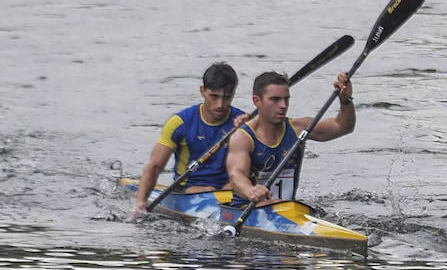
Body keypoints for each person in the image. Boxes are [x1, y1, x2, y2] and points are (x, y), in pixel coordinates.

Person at [226, 69, 355, 206]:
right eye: (275, 99)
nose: (283, 106)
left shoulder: (298, 128)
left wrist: (345, 100)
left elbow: (342, 127)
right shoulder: (242, 138)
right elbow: (236, 175)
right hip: (247, 211)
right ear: (257, 101)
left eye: (286, 99)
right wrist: (251, 190)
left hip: (286, 211)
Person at [134, 62, 246, 214]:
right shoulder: (180, 123)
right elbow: (154, 167)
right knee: (207, 189)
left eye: (226, 97)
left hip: (230, 190)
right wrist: (141, 203)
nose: (220, 104)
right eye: (214, 96)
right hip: (188, 191)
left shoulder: (244, 123)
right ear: (202, 91)